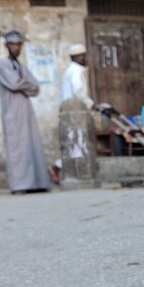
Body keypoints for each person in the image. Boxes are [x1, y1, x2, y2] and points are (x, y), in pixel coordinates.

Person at [0, 30, 51, 194]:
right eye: (12, 45)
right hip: (12, 113)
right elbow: (14, 84)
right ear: (7, 46)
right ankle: (20, 185)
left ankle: (36, 184)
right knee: (17, 149)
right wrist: (25, 85)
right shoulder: (3, 65)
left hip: (26, 111)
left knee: (32, 146)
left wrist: (24, 84)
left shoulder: (21, 66)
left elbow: (36, 88)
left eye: (18, 45)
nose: (15, 48)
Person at [50, 43, 95, 184]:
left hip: (68, 111)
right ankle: (59, 167)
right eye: (84, 56)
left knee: (73, 142)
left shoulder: (69, 70)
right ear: (78, 57)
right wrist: (89, 102)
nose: (86, 59)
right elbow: (78, 90)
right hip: (75, 111)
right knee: (77, 142)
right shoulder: (76, 70)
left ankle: (58, 166)